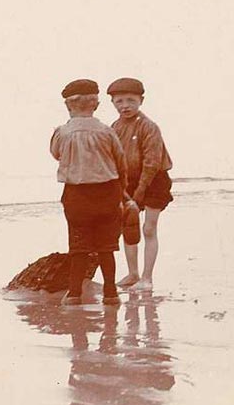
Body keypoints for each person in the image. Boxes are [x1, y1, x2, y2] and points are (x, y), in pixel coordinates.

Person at [50, 79, 129, 305]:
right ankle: (111, 293)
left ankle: (74, 293)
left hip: (76, 195)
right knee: (106, 247)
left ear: (68, 106)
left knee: (78, 246)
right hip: (107, 192)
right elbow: (120, 161)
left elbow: (56, 154)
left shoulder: (62, 132)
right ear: (96, 104)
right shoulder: (107, 131)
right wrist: (123, 192)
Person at [107, 77, 173, 291]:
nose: (125, 105)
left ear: (141, 100)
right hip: (128, 182)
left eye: (130, 100)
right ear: (113, 103)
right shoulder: (114, 127)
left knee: (149, 228)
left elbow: (152, 163)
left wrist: (138, 195)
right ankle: (133, 274)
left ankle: (147, 278)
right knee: (130, 227)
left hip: (154, 180)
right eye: (119, 101)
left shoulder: (149, 127)